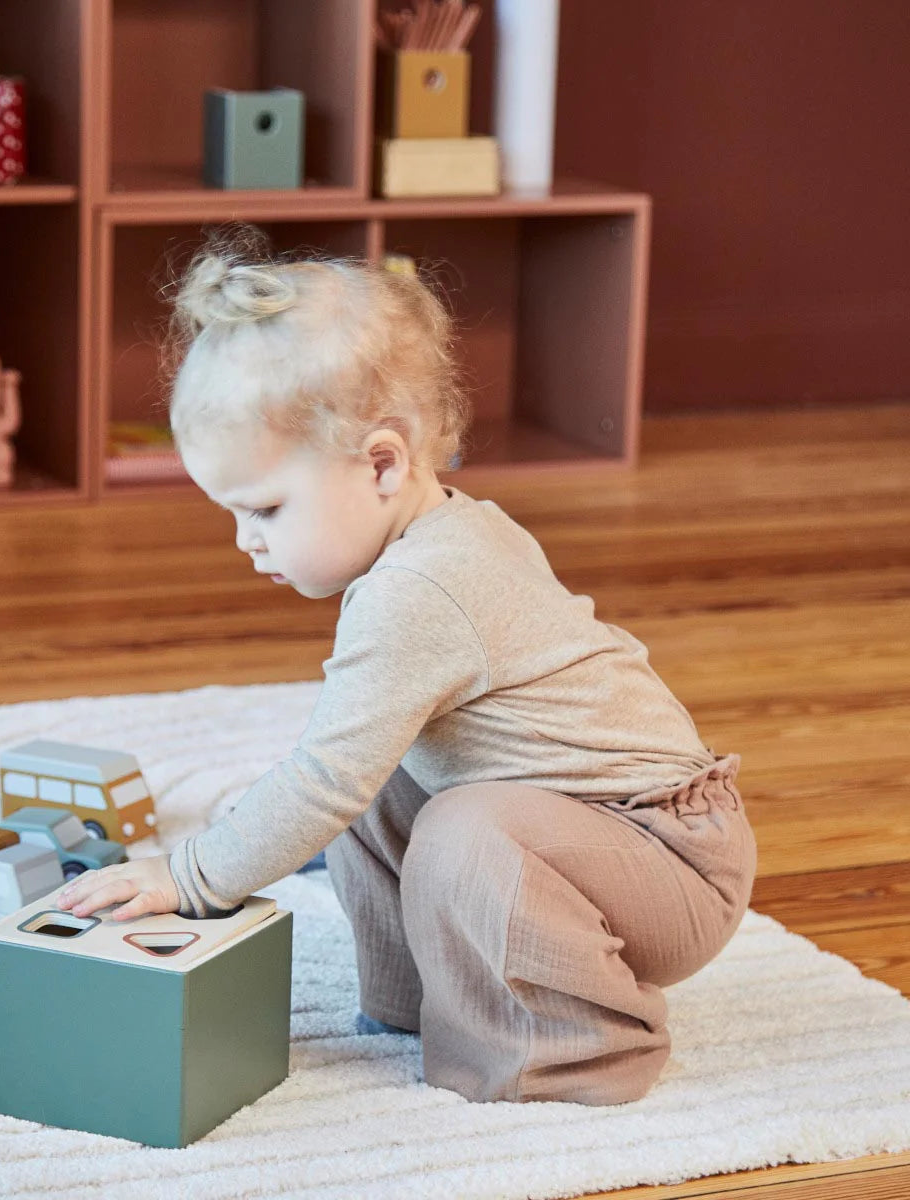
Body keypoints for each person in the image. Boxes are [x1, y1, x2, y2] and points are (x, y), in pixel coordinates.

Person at [56, 227, 757, 1106]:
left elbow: (319, 784)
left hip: (670, 863)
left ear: (382, 463)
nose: (245, 541)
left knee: (457, 826)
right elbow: (344, 780)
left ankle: (576, 1053)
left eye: (265, 508)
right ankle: (420, 1001)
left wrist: (187, 876)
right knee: (383, 779)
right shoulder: (442, 533)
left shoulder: (420, 588)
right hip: (595, 839)